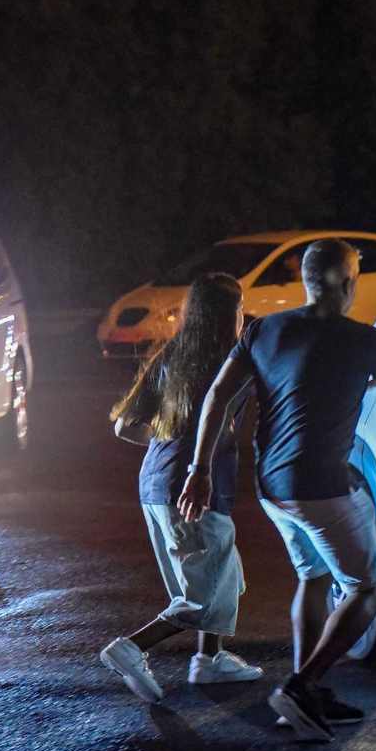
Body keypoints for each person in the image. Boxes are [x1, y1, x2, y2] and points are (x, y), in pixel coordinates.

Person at [178, 239, 376, 742]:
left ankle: (307, 698)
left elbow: (216, 396)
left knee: (314, 577)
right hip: (319, 486)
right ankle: (301, 684)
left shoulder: (263, 330)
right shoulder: (365, 341)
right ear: (347, 283)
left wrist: (199, 468)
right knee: (369, 589)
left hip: (272, 486)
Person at [99, 272, 260, 702]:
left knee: (221, 574)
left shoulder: (172, 353)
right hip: (194, 486)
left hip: (155, 483)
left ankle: (211, 660)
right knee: (202, 594)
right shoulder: (233, 357)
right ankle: (131, 648)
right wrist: (193, 461)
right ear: (231, 313)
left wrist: (169, 444)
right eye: (240, 307)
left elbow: (124, 426)